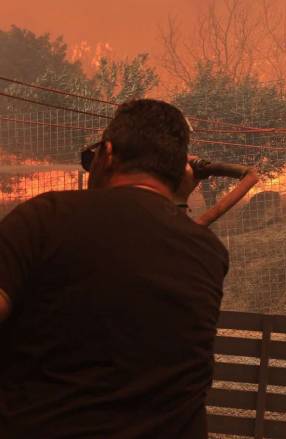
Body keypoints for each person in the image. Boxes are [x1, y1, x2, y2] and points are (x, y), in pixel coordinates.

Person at [0, 99, 229, 438]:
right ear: (181, 174)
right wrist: (177, 197)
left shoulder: (46, 217)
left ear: (106, 154)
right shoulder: (209, 253)